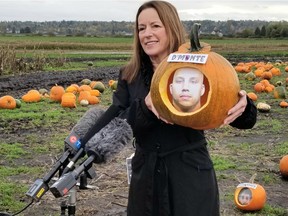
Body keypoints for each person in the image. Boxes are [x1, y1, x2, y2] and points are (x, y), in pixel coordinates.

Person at [81, 1, 257, 215]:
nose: (147, 34)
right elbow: (117, 121)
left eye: (155, 26)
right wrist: (145, 107)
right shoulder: (130, 74)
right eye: (141, 28)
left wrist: (244, 107)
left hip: (190, 173)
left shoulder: (196, 67)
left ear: (170, 27)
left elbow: (232, 110)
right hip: (145, 176)